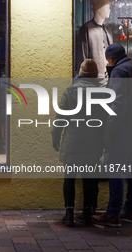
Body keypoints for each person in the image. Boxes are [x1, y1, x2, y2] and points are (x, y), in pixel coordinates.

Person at [92, 44, 132, 227]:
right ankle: (131, 211)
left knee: (115, 171)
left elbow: (117, 105)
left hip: (123, 132)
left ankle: (113, 214)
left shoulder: (119, 71)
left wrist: (108, 133)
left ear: (111, 58)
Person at [52, 59, 106, 226]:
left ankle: (69, 214)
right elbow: (105, 121)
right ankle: (88, 213)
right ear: (96, 75)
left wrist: (55, 136)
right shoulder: (102, 93)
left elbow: (60, 118)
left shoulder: (70, 91)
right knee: (90, 180)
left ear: (81, 73)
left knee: (69, 179)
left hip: (72, 141)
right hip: (93, 143)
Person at [77, 0, 113, 80]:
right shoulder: (86, 29)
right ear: (99, 8)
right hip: (93, 79)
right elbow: (82, 56)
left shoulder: (108, 31)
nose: (109, 10)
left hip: (108, 78)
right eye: (107, 7)